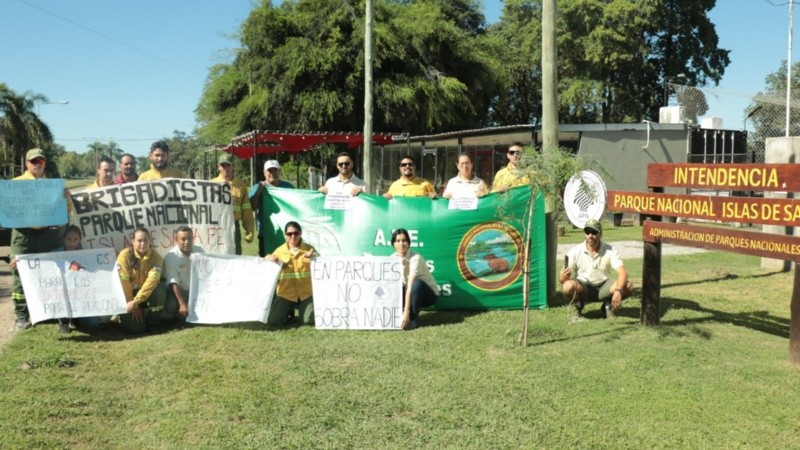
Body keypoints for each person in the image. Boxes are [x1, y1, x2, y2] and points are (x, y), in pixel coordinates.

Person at [9, 148, 63, 330]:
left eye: (41, 162)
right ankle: (22, 317)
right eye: (34, 162)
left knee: (45, 275)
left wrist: (65, 199)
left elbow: (61, 212)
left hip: (45, 236)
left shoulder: (51, 186)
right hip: (24, 238)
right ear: (26, 164)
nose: (38, 165)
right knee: (20, 275)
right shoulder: (14, 184)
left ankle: (44, 313)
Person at [560, 219, 633, 321]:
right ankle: (578, 305)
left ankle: (608, 306)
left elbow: (623, 273)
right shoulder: (575, 251)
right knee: (567, 286)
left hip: (604, 286)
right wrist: (563, 278)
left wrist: (618, 291)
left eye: (594, 232)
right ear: (585, 234)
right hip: (584, 287)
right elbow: (564, 280)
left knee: (628, 286)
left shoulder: (610, 250)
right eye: (587, 232)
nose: (590, 235)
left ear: (600, 234)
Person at [116, 227, 167, 333]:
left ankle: (154, 323)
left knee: (159, 293)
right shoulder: (124, 255)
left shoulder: (156, 257)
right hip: (127, 297)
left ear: (150, 241)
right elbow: (123, 282)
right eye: (139, 241)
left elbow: (152, 282)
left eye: (145, 240)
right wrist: (132, 304)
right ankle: (120, 317)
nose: (143, 243)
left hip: (143, 296)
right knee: (137, 328)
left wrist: (137, 301)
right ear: (133, 242)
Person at [265, 221, 317, 326]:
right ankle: (289, 312)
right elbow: (267, 259)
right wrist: (269, 258)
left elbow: (321, 262)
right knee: (273, 321)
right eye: (289, 234)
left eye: (296, 233)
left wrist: (313, 257)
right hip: (286, 294)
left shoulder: (309, 249)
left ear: (300, 233)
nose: (293, 236)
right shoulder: (279, 251)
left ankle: (305, 309)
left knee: (308, 321)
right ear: (285, 235)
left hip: (305, 294)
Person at [391, 228, 439, 330]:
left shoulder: (415, 258)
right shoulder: (391, 259)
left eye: (404, 240)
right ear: (393, 244)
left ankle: (412, 319)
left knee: (417, 284)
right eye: (398, 241)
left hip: (428, 295)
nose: (401, 244)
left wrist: (406, 313)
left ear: (408, 243)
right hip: (410, 291)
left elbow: (410, 287)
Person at [210, 154, 254, 255]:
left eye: (228, 165)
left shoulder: (240, 184)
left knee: (235, 257)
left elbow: (246, 209)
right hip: (216, 227)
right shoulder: (210, 184)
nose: (226, 168)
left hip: (233, 227)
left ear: (233, 166)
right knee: (216, 257)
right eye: (223, 165)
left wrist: (249, 231)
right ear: (218, 167)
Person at [249, 160, 294, 257]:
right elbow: (252, 207)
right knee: (267, 262)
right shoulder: (258, 187)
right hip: (266, 233)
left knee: (287, 262)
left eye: (275, 170)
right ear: (264, 172)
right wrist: (258, 192)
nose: (272, 173)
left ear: (279, 172)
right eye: (270, 171)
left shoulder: (288, 187)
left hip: (287, 233)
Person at [163, 225, 203, 324]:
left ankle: (186, 315)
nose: (187, 242)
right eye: (183, 239)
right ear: (176, 240)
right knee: (170, 305)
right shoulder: (171, 257)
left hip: (196, 291)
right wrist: (182, 304)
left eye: (189, 238)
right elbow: (173, 283)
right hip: (181, 291)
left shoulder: (200, 252)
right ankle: (178, 314)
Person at [51, 225, 84, 334]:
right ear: (64, 239)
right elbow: (41, 263)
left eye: (75, 239)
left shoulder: (86, 254)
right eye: (69, 239)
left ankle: (76, 318)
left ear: (80, 240)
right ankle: (63, 321)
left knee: (92, 324)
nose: (72, 243)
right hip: (62, 288)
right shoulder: (55, 254)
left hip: (79, 288)